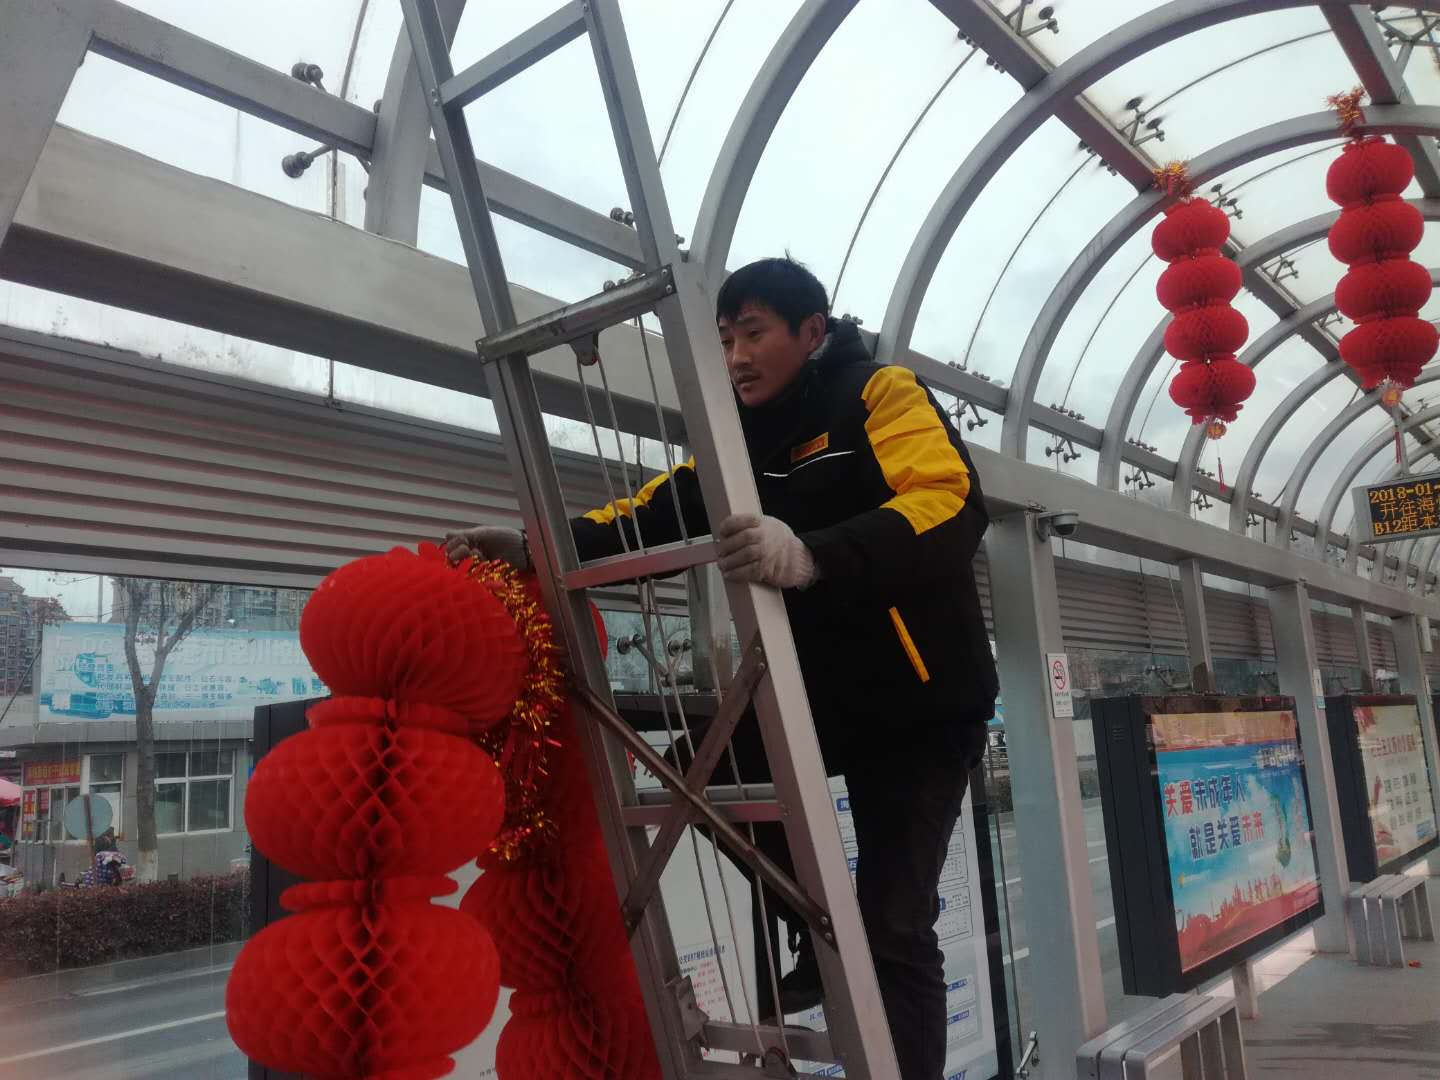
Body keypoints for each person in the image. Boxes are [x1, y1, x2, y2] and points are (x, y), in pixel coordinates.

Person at [445, 256, 997, 1078]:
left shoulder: (877, 394)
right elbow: (651, 512)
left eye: (753, 334)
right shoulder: (740, 436)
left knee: (894, 926)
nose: (736, 356)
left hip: (923, 705)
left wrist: (811, 554)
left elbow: (946, 504)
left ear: (811, 332)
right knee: (696, 781)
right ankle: (815, 928)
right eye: (726, 339)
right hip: (823, 697)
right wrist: (535, 545)